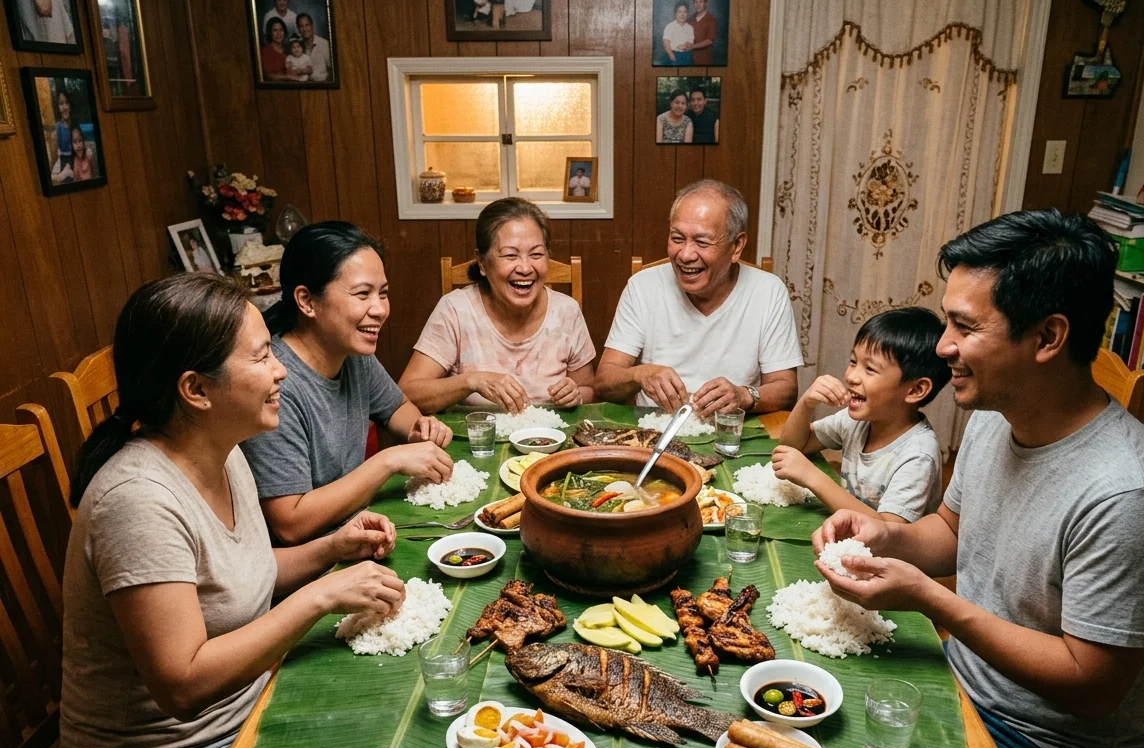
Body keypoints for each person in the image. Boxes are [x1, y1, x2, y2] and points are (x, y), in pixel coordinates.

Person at [812, 209, 1144, 748]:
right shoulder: (996, 413)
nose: (941, 346)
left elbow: (1091, 685)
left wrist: (931, 599)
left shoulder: (1131, 495)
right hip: (959, 681)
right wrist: (883, 534)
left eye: (965, 327)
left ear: (1048, 337)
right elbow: (952, 531)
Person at [59, 273, 407, 748]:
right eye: (263, 355)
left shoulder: (221, 450)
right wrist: (320, 598)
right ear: (196, 389)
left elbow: (238, 573)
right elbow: (182, 683)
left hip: (245, 710)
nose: (281, 372)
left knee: (395, 733)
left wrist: (332, 549)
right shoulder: (138, 500)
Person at [241, 221, 452, 545]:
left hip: (359, 532)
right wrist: (389, 460)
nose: (380, 309)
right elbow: (290, 523)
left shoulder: (352, 354)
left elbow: (400, 409)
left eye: (383, 293)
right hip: (310, 569)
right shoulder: (275, 382)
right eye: (362, 294)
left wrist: (421, 431)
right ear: (306, 301)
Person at [595, 179, 801, 415]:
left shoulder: (768, 291)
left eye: (702, 242)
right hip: (656, 429)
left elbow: (786, 389)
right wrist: (639, 374)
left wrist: (744, 395)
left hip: (733, 431)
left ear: (736, 246)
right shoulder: (642, 286)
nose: (685, 255)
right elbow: (603, 382)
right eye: (677, 238)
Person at [399, 198, 596, 413]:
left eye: (536, 254)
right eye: (510, 255)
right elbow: (408, 394)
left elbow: (588, 389)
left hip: (552, 441)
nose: (525, 268)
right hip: (477, 442)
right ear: (482, 262)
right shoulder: (455, 310)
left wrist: (575, 394)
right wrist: (472, 381)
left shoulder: (567, 311)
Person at [772, 307, 949, 521]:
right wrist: (807, 403)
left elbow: (888, 529)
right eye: (853, 362)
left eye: (870, 369)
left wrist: (813, 477)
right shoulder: (856, 421)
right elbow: (793, 446)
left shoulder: (919, 454)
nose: (852, 376)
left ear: (915, 390)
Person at [49, 88, 74, 185]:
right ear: (58, 107)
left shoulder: (75, 125)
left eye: (66, 103)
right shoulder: (58, 127)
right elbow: (55, 157)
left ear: (70, 105)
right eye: (61, 104)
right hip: (64, 161)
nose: (64, 107)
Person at [297, 12, 331, 81]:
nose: (305, 29)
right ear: (298, 29)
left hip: (322, 84)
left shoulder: (324, 44)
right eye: (301, 26)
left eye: (307, 25)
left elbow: (332, 69)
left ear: (312, 26)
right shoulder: (296, 46)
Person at [688, 0, 718, 64]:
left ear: (705, 3)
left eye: (701, 1)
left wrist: (692, 46)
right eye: (696, 2)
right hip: (690, 58)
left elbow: (709, 41)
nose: (698, 4)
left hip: (704, 59)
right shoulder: (690, 19)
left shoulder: (711, 20)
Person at [260, 17, 289, 82]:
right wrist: (288, 77)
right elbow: (269, 76)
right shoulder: (266, 51)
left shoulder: (289, 48)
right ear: (270, 33)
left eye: (281, 30)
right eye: (275, 30)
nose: (279, 33)